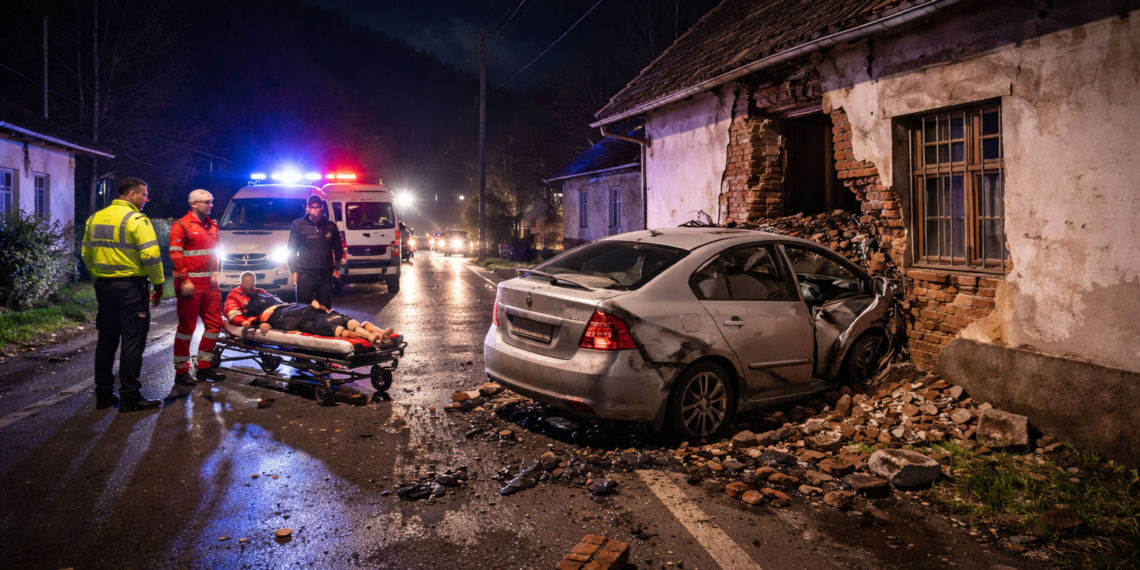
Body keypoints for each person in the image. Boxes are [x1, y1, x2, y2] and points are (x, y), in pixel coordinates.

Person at [80, 177, 164, 412]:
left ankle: (103, 394)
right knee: (132, 341)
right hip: (130, 289)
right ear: (132, 195)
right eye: (144, 195)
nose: (146, 199)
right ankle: (130, 395)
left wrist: (97, 277)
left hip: (104, 288)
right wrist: (158, 284)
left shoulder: (94, 218)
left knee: (106, 340)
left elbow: (86, 253)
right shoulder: (136, 219)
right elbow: (150, 256)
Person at [225, 272, 393, 344]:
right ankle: (368, 336)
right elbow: (234, 318)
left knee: (333, 315)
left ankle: (375, 333)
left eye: (253, 287)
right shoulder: (234, 297)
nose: (251, 291)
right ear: (241, 285)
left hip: (288, 309)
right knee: (320, 320)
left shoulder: (260, 292)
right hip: (279, 316)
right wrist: (256, 322)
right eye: (248, 289)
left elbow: (278, 302)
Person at [169, 189, 227, 386]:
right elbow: (176, 255)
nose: (210, 205)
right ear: (193, 203)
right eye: (205, 202)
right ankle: (182, 371)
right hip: (190, 285)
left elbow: (215, 253)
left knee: (214, 325)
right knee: (187, 328)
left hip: (210, 284)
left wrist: (216, 274)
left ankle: (204, 367)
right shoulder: (181, 226)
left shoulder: (212, 226)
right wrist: (185, 279)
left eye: (211, 201)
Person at [287, 195, 342, 308]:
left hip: (325, 275)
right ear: (307, 208)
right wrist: (293, 270)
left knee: (325, 310)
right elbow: (291, 249)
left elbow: (338, 248)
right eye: (313, 207)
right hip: (305, 274)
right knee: (302, 309)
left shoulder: (330, 226)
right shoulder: (298, 225)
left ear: (322, 208)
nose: (316, 209)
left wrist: (337, 267)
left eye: (318, 207)